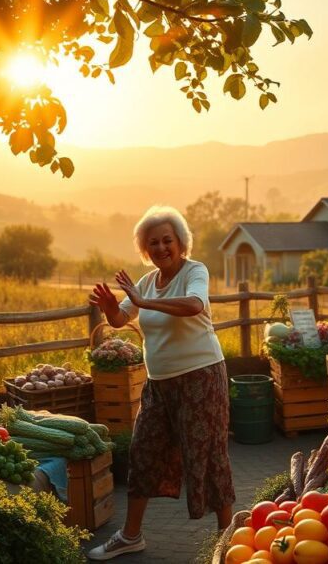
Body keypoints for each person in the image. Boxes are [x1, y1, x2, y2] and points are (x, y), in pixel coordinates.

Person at [87, 205, 235, 560]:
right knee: (143, 453)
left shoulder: (195, 271)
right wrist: (110, 307)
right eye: (152, 243)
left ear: (180, 243)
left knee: (210, 458)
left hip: (202, 380)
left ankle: (228, 541)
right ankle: (130, 535)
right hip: (159, 384)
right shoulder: (147, 281)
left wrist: (144, 300)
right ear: (145, 249)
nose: (161, 247)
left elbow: (195, 305)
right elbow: (122, 317)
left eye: (167, 240)